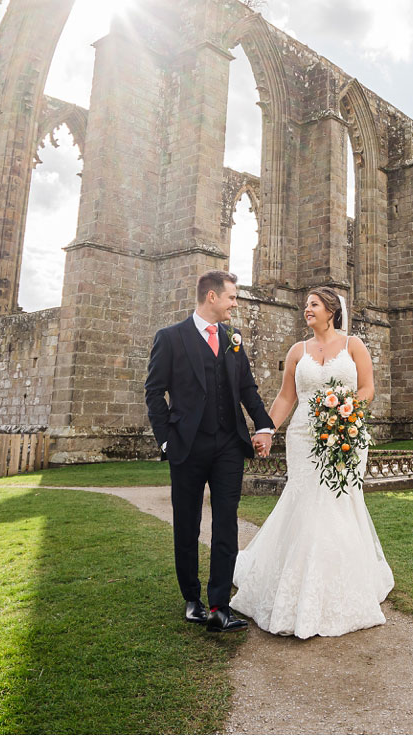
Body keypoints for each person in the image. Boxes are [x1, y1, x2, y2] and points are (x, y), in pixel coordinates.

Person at [229, 286, 394, 638]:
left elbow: (367, 389)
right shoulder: (297, 351)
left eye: (314, 305)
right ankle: (294, 584)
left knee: (337, 502)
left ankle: (340, 584)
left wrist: (345, 413)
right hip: (304, 436)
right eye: (306, 305)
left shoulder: (354, 346)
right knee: (304, 501)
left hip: (346, 433)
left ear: (331, 311)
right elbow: (287, 396)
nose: (308, 309)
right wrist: (266, 430)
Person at [145, 270, 275, 633]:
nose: (236, 303)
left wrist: (263, 426)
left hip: (229, 445)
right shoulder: (170, 338)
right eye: (232, 297)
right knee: (186, 524)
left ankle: (219, 604)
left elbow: (247, 387)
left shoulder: (233, 339)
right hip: (186, 446)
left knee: (226, 522)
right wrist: (166, 440)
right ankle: (192, 600)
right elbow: (154, 392)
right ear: (212, 297)